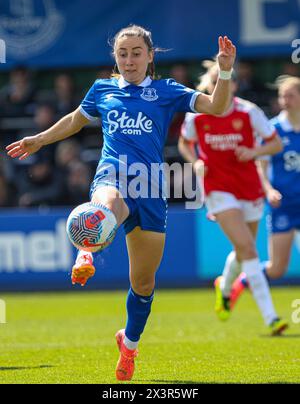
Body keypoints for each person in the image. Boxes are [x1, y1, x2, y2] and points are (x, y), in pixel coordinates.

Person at [6, 25, 236, 381]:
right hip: (113, 173)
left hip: (152, 189)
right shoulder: (103, 89)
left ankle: (128, 344)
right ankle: (86, 250)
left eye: (136, 53)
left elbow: (218, 107)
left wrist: (224, 69)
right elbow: (74, 121)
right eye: (123, 53)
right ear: (115, 57)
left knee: (143, 284)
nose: (128, 60)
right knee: (107, 202)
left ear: (149, 56)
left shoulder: (166, 91)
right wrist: (40, 139)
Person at [178, 60, 288, 335]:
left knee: (243, 249)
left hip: (249, 187)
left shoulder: (249, 112)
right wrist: (195, 161)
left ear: (234, 84)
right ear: (210, 85)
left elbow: (275, 143)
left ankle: (224, 286)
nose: (219, 86)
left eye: (224, 81)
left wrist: (253, 153)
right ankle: (271, 317)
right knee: (250, 250)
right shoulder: (197, 115)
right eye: (214, 82)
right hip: (217, 188)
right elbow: (184, 143)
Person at [230, 76, 300, 303]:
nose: (285, 100)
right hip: (284, 205)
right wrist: (268, 190)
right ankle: (242, 281)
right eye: (282, 96)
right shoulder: (274, 129)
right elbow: (260, 166)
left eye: (290, 95)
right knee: (277, 269)